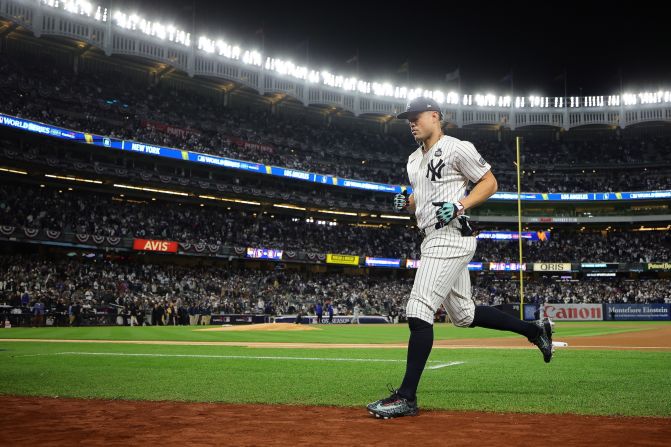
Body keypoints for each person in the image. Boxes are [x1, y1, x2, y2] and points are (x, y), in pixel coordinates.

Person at [366, 97, 554, 419]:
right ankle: (534, 330)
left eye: (416, 117)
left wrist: (461, 204)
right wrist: (406, 203)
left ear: (435, 116)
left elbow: (490, 182)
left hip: (451, 236)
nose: (411, 122)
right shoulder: (413, 159)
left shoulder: (456, 147)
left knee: (419, 307)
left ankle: (407, 397)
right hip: (431, 237)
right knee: (464, 314)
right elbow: (422, 198)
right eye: (407, 119)